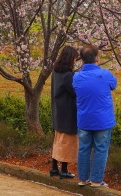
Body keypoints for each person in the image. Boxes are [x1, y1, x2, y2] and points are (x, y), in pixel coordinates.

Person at [72, 44, 117, 188]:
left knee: (84, 149)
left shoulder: (77, 77)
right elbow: (113, 84)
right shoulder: (105, 74)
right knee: (101, 150)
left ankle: (83, 179)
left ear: (82, 59)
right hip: (102, 120)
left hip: (84, 120)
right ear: (97, 58)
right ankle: (97, 181)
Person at [49, 45, 79, 179]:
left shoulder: (55, 72)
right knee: (67, 142)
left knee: (58, 140)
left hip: (57, 111)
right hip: (68, 112)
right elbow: (74, 93)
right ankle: (64, 170)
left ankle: (54, 167)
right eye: (74, 58)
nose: (75, 61)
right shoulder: (69, 76)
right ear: (70, 59)